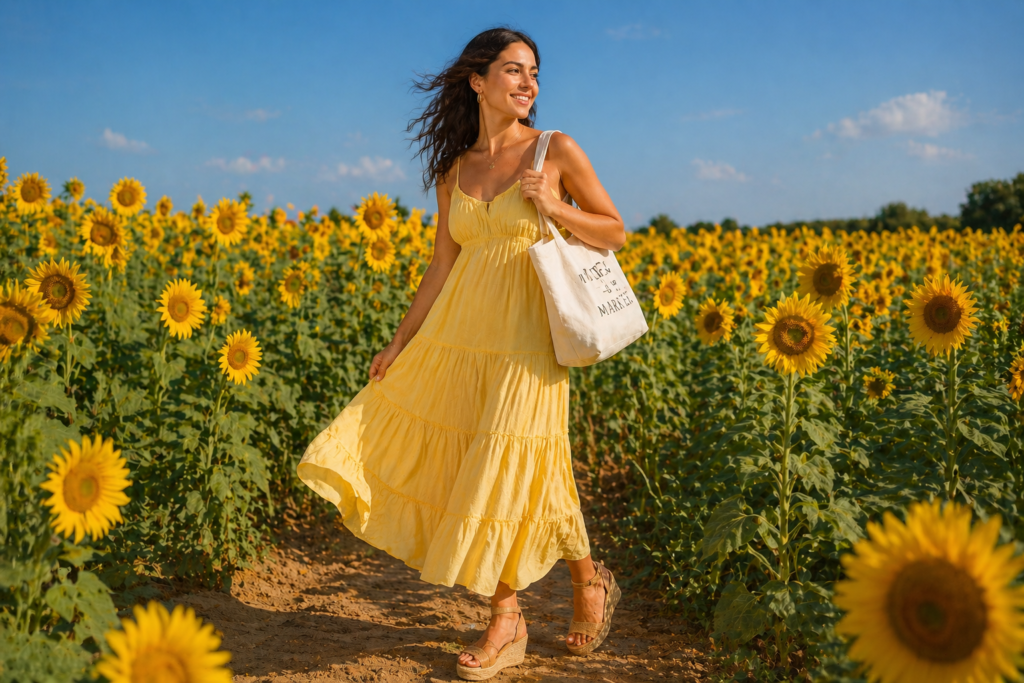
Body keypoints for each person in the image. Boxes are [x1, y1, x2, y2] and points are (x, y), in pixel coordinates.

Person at [296, 26, 627, 680]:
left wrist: (554, 207)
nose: (528, 83)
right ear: (478, 81)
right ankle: (516, 612)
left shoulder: (554, 150)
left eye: (534, 71)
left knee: (519, 457)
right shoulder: (454, 169)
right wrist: (400, 341)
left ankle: (565, 590)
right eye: (512, 70)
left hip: (528, 335)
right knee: (469, 460)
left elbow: (615, 229)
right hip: (460, 334)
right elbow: (441, 265)